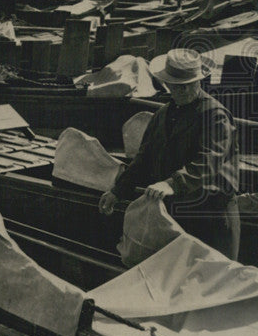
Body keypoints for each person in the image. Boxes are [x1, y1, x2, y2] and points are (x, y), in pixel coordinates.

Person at [98, 48, 240, 260]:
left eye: (187, 85)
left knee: (211, 280)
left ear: (198, 81)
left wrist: (171, 184)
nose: (181, 91)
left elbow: (208, 161)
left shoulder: (215, 116)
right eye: (176, 86)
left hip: (210, 215)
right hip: (176, 214)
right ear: (168, 84)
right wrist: (118, 191)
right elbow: (143, 159)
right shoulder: (163, 114)